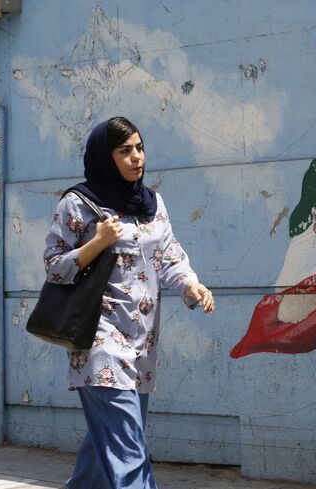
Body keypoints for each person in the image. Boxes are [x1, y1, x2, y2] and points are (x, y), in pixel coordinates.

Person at [43, 117, 215, 488]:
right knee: (129, 451)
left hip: (141, 344)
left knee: (107, 447)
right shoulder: (78, 204)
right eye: (124, 151)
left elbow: (169, 257)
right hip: (98, 342)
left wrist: (191, 285)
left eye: (139, 147)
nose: (136, 157)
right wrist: (96, 243)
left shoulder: (151, 203)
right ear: (105, 158)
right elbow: (54, 267)